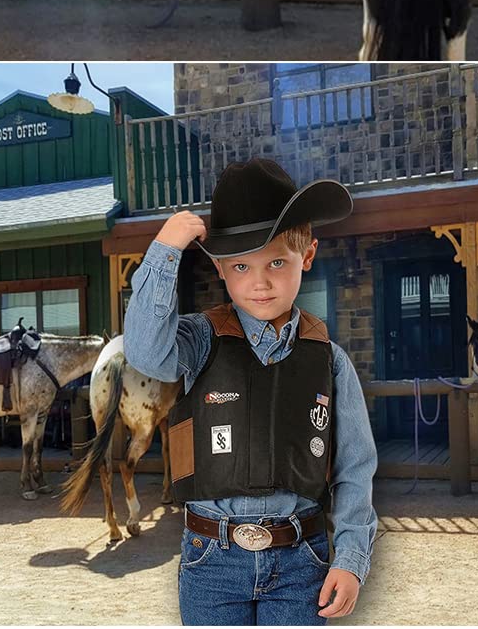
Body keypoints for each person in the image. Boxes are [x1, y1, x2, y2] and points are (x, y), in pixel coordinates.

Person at [123, 157, 378, 625]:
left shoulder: (329, 360)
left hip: (304, 559)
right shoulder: (198, 341)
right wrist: (164, 251)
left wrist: (351, 558)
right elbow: (143, 351)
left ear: (308, 256)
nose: (260, 281)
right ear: (220, 269)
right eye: (241, 265)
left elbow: (355, 469)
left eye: (277, 261)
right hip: (210, 561)